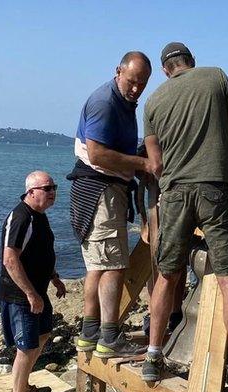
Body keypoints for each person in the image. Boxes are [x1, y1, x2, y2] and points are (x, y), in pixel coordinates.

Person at [141, 42, 228, 392]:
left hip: (174, 192)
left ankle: (153, 355)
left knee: (167, 276)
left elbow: (155, 163)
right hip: (216, 186)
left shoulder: (154, 100)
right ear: (191, 61)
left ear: (164, 69)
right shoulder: (215, 76)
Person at [69, 51, 152, 359]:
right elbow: (98, 154)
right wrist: (142, 162)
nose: (136, 89)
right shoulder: (105, 102)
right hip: (100, 190)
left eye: (142, 84)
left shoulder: (123, 101)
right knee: (114, 266)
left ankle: (90, 334)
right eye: (131, 82)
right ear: (118, 71)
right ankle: (109, 336)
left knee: (97, 267)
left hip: (99, 189)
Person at [0, 171, 68, 392]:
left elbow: (41, 252)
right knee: (26, 347)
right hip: (20, 295)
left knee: (43, 334)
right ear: (31, 192)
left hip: (37, 290)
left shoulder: (40, 217)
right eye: (47, 189)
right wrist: (30, 293)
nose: (53, 193)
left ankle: (23, 386)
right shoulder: (20, 217)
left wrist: (54, 277)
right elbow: (10, 258)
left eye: (54, 188)